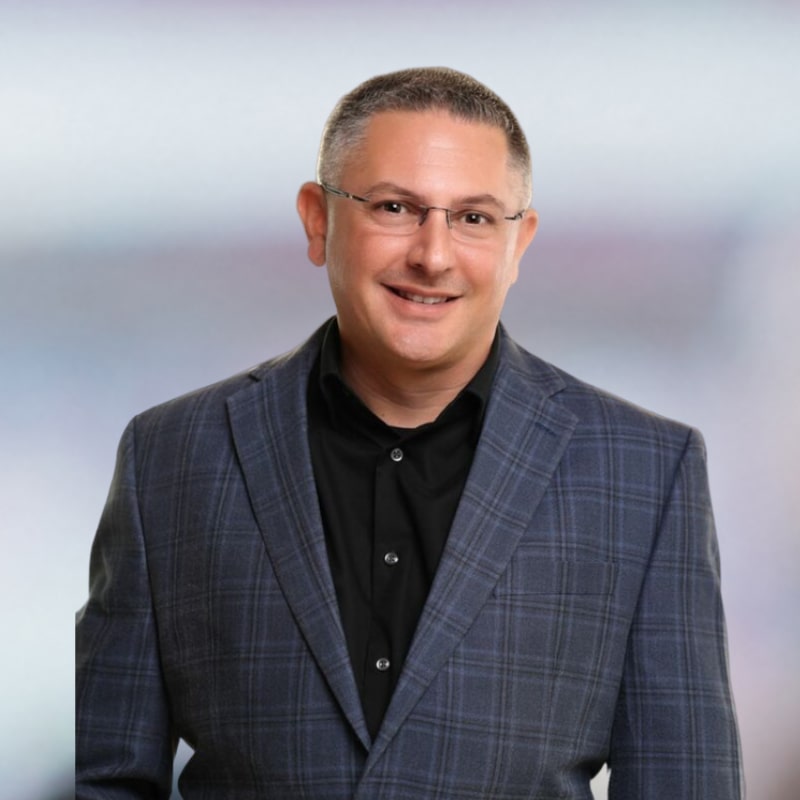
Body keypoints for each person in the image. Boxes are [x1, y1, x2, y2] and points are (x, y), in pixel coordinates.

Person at [75, 67, 742, 798]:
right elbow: (107, 776)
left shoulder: (646, 473)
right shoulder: (171, 458)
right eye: (395, 207)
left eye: (475, 218)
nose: (433, 254)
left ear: (519, 242)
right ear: (318, 220)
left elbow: (687, 783)